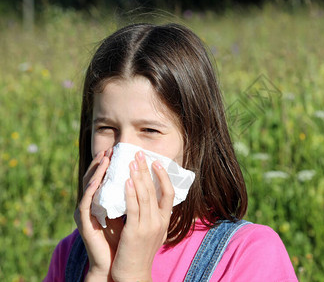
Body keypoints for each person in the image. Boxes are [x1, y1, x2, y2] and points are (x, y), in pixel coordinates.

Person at [44, 23, 297, 282]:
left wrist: (133, 274)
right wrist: (99, 271)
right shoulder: (71, 254)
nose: (124, 150)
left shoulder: (248, 254)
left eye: (150, 130)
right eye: (107, 128)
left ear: (195, 139)